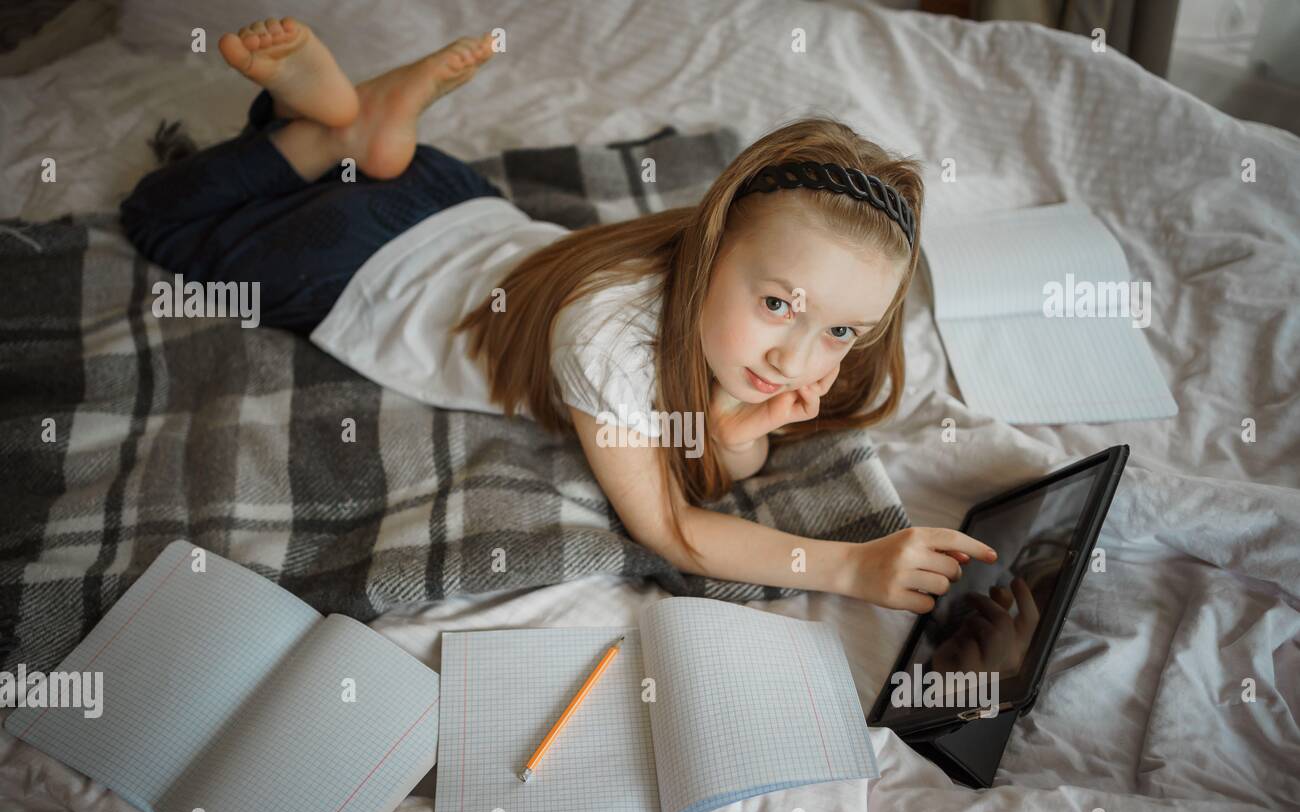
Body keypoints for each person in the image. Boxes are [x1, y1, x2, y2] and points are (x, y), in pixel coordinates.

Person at [120, 16, 997, 612]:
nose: (800, 355)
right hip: (354, 267)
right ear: (715, 243)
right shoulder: (607, 337)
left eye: (840, 331)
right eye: (779, 305)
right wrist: (848, 565)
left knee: (298, 169)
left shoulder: (703, 286)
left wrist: (745, 423)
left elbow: (719, 463)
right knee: (162, 216)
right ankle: (330, 132)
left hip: (448, 197)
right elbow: (679, 527)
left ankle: (358, 133)